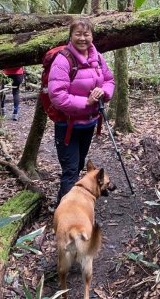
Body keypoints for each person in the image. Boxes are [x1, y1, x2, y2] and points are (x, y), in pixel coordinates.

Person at [48, 18, 115, 204]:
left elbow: (110, 80)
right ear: (70, 36)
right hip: (67, 125)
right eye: (78, 34)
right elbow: (57, 95)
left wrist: (104, 93)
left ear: (92, 36)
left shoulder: (98, 57)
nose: (83, 38)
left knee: (77, 166)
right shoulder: (63, 60)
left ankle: (66, 205)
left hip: (89, 123)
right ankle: (66, 213)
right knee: (70, 171)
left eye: (86, 34)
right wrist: (87, 101)